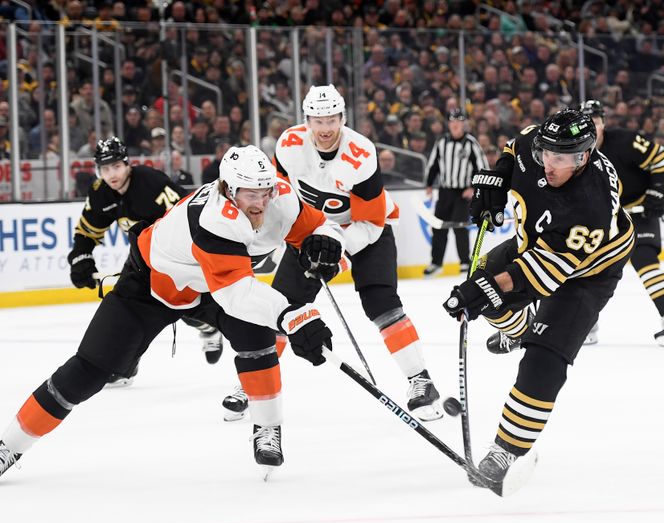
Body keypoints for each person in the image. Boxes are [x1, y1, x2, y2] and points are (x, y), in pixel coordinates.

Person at [0, 145, 342, 481]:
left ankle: (267, 428)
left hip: (206, 284)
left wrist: (324, 241)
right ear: (229, 190)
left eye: (266, 191)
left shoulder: (279, 197)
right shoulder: (215, 218)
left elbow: (318, 226)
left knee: (258, 339)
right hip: (151, 283)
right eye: (252, 195)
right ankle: (9, 445)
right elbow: (236, 294)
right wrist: (295, 317)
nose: (263, 203)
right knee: (89, 369)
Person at [221, 85, 444, 422]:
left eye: (331, 119)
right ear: (306, 120)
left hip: (368, 229)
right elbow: (277, 199)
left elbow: (370, 222)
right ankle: (254, 385)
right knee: (281, 305)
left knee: (381, 301)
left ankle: (420, 380)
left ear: (343, 118)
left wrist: (336, 249)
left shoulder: (362, 154)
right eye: (317, 120)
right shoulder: (288, 145)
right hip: (311, 231)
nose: (325, 128)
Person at [442, 109, 635, 485]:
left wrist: (487, 291)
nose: (549, 163)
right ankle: (516, 329)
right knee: (484, 276)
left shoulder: (591, 205)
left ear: (584, 156)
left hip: (588, 272)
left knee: (543, 358)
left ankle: (506, 449)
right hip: (537, 244)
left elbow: (541, 274)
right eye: (547, 153)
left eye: (561, 159)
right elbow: (514, 148)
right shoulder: (540, 144)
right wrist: (494, 179)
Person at [67, 138, 224, 386]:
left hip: (177, 255)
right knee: (127, 310)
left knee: (184, 306)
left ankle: (207, 327)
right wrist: (81, 258)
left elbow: (189, 213)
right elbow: (87, 231)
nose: (112, 174)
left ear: (127, 164)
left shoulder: (151, 182)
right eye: (105, 169)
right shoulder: (100, 193)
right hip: (142, 260)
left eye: (116, 166)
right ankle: (124, 367)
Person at [578, 100, 664, 347]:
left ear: (603, 123)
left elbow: (661, 159)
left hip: (639, 213)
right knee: (587, 267)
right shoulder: (575, 154)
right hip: (606, 218)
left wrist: (656, 193)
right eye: (586, 124)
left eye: (595, 122)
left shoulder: (625, 141)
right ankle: (585, 324)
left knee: (645, 262)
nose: (591, 128)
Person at [423, 108, 488, 276]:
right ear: (449, 124)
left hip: (462, 193)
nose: (455, 125)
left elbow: (481, 167)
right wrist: (429, 184)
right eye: (452, 122)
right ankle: (436, 262)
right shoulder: (442, 142)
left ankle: (464, 262)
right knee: (438, 227)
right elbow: (433, 164)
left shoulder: (471, 143)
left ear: (464, 124)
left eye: (458, 122)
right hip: (445, 191)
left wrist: (473, 187)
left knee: (460, 226)